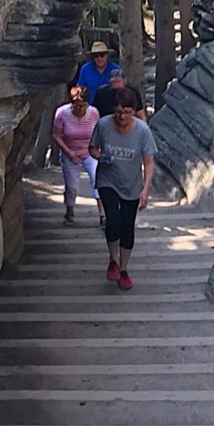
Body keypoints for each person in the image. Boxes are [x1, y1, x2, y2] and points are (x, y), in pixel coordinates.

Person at [91, 85, 156, 290]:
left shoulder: (142, 131)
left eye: (127, 112)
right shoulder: (103, 125)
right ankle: (113, 259)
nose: (122, 116)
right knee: (113, 219)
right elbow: (92, 148)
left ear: (133, 111)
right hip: (107, 180)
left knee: (128, 226)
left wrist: (145, 190)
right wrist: (101, 156)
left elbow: (148, 162)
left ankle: (124, 268)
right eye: (118, 112)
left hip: (131, 184)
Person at [52, 84, 100, 225]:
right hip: (70, 151)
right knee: (72, 186)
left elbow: (99, 132)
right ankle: (70, 210)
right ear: (72, 104)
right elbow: (56, 135)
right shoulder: (62, 113)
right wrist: (68, 152)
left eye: (84, 106)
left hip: (90, 151)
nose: (81, 109)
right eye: (78, 106)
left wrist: (99, 149)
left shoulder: (94, 113)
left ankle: (103, 215)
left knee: (98, 181)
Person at [75, 41, 125, 117]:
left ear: (107, 55)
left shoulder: (115, 69)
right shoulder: (85, 69)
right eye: (96, 56)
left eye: (102, 55)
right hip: (90, 110)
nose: (99, 58)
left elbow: (121, 90)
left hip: (111, 110)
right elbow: (79, 90)